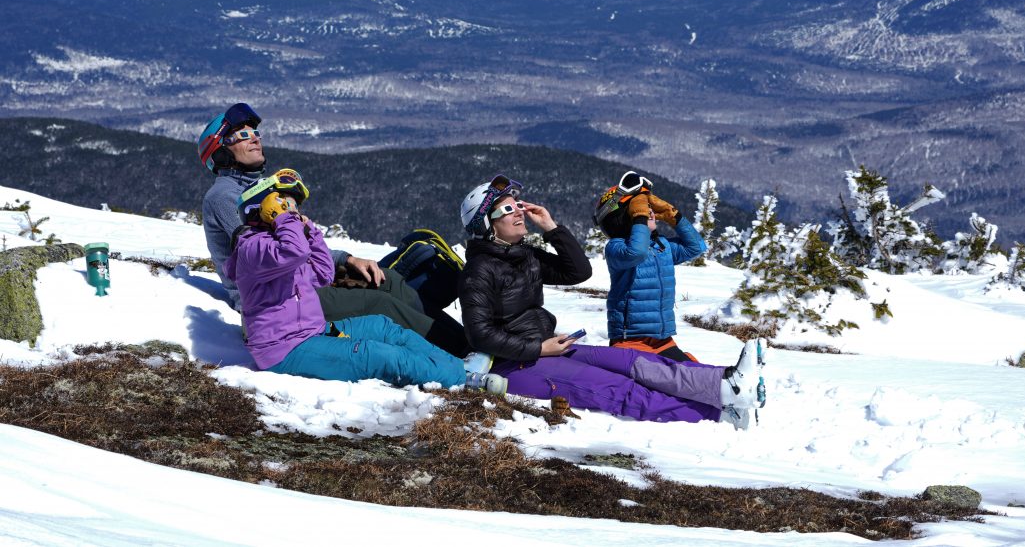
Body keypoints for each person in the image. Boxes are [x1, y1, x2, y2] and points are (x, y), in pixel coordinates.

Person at [457, 174, 766, 428]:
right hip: (516, 364)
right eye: (508, 210)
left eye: (518, 206)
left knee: (635, 363)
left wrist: (551, 228)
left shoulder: (523, 256)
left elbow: (577, 271)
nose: (520, 213)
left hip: (548, 348)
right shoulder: (479, 270)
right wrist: (538, 349)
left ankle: (726, 385)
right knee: (618, 389)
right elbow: (479, 333)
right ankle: (722, 416)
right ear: (486, 224)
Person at [197, 103, 469, 356]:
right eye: (242, 135)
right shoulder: (223, 197)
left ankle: (465, 340)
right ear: (220, 152)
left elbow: (295, 242)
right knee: (380, 304)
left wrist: (346, 260)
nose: (255, 137)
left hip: (298, 281)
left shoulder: (257, 190)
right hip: (276, 300)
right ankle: (462, 353)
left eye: (254, 132)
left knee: (387, 281)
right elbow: (264, 256)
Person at [224, 170, 503, 391]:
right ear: (263, 209)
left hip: (313, 332)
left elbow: (323, 273)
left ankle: (455, 365)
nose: (294, 211)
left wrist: (310, 231)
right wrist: (287, 220)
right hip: (285, 350)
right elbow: (294, 252)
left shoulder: (276, 247)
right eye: (285, 203)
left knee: (382, 326)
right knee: (376, 354)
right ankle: (464, 380)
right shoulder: (253, 249)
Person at [593, 171, 707, 362]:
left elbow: (695, 247)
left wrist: (674, 216)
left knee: (692, 374)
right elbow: (636, 253)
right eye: (641, 208)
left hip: (663, 340)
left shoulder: (661, 246)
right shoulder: (616, 247)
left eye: (648, 208)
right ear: (625, 217)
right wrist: (640, 219)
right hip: (629, 339)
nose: (649, 212)